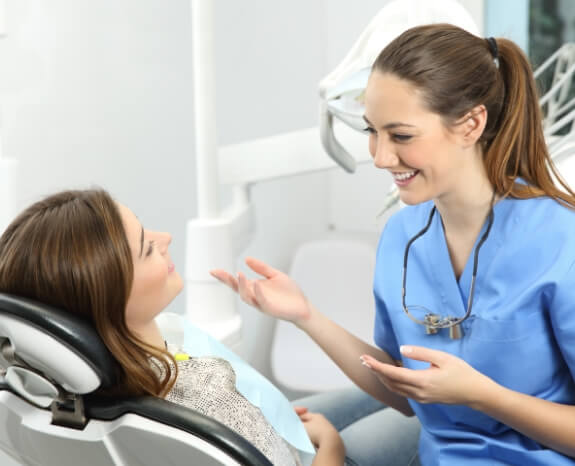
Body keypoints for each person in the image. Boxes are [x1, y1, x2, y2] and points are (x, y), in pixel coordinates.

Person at [210, 23, 575, 465]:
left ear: (471, 124)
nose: (381, 157)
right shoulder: (403, 236)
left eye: (401, 136)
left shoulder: (559, 239)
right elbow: (407, 392)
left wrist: (483, 396)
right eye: (373, 131)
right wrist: (305, 316)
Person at [0, 189, 345, 466]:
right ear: (111, 300)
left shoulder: (62, 399)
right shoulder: (211, 398)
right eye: (147, 248)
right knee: (399, 412)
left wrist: (260, 422)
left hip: (271, 431)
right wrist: (332, 445)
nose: (164, 238)